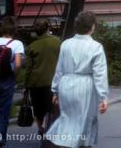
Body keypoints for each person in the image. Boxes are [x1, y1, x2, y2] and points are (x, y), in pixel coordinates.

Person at [46, 11, 109, 148]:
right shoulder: (96, 47)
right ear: (92, 27)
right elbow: (99, 74)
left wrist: (55, 91)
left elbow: (59, 70)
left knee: (67, 119)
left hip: (65, 85)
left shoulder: (66, 44)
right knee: (84, 123)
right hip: (85, 87)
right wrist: (103, 97)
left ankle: (63, 143)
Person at [0, 16, 24, 148]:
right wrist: (14, 75)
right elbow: (18, 63)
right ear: (14, 29)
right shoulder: (17, 44)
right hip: (7, 80)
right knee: (3, 111)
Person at [25, 20, 61, 135]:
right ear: (47, 29)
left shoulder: (32, 46)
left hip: (36, 82)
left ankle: (41, 128)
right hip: (53, 81)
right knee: (53, 107)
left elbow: (28, 68)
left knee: (38, 108)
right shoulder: (57, 42)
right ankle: (51, 127)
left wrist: (26, 84)